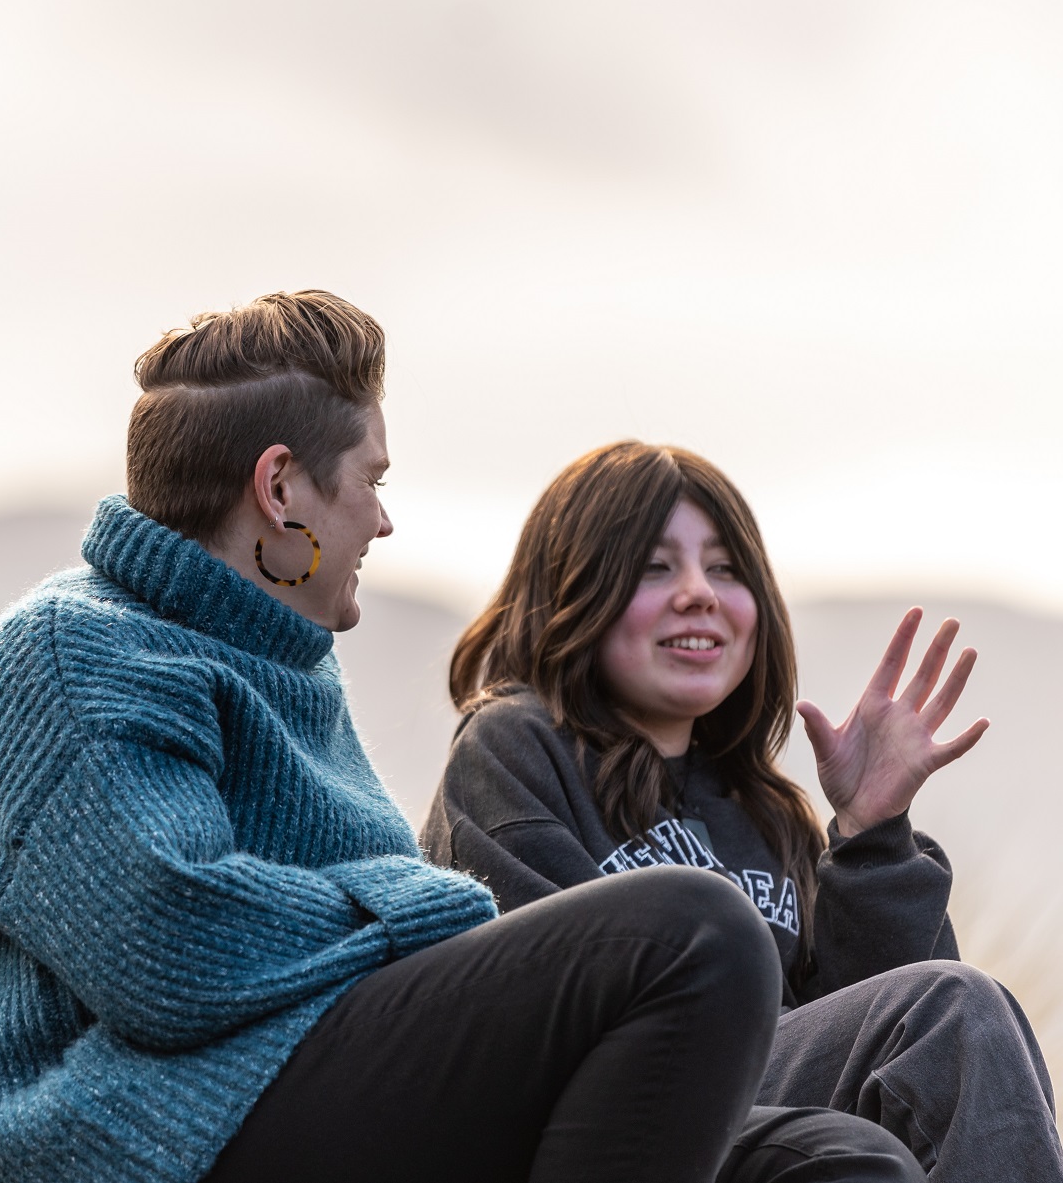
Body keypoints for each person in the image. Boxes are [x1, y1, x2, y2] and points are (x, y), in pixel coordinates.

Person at [0, 293, 897, 1183]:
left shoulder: (284, 659)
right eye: (369, 479)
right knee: (695, 931)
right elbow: (173, 946)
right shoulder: (75, 653)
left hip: (292, 1088)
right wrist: (431, 905)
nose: (383, 521)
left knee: (841, 1161)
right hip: (156, 1134)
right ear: (281, 493)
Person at [422, 441, 1063, 1182]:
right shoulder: (513, 747)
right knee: (957, 1008)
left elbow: (888, 1061)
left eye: (725, 568)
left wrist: (871, 837)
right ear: (571, 591)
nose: (699, 592)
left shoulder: (766, 815)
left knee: (935, 1061)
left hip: (761, 1124)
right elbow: (541, 1010)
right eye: (655, 567)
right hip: (616, 1107)